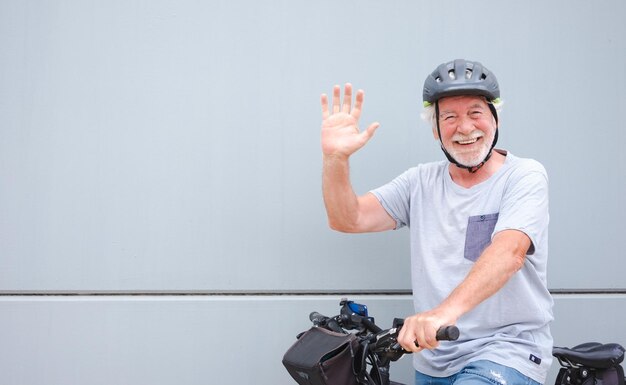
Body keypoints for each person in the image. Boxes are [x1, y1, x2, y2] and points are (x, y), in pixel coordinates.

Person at [320, 59, 553, 385]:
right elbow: (348, 218)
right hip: (435, 362)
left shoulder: (523, 176)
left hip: (506, 351)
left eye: (475, 113)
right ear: (436, 130)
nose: (466, 127)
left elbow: (509, 252)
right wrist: (335, 159)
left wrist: (442, 313)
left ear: (495, 118)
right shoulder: (420, 182)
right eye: (450, 117)